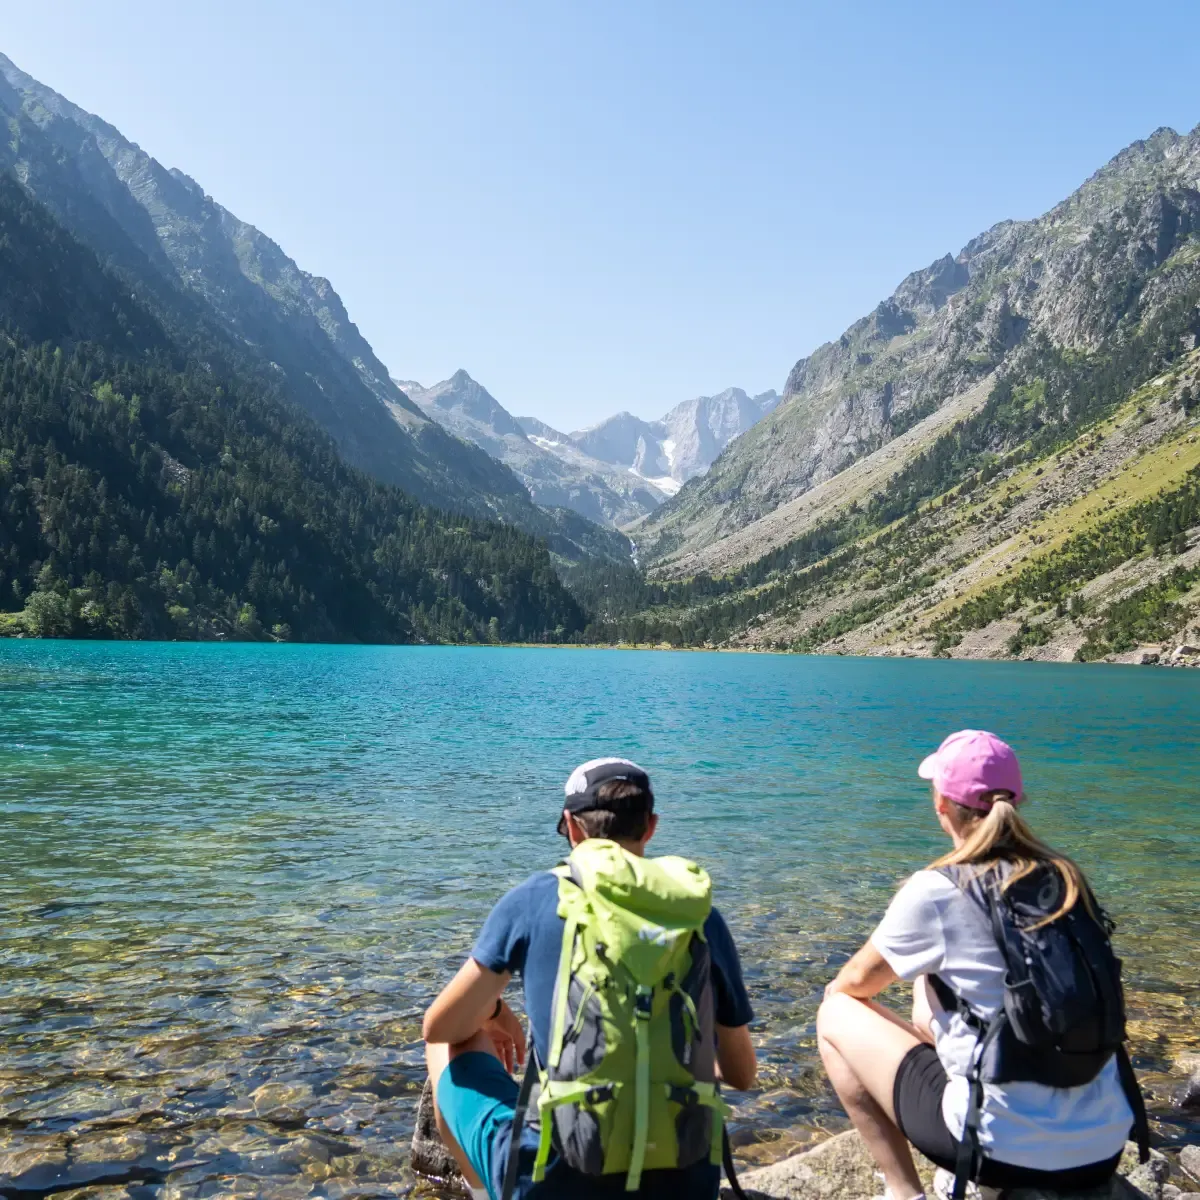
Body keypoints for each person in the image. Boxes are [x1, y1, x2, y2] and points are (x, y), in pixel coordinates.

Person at [816, 730, 1139, 1200]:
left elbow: (853, 984)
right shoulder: (1068, 877)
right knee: (952, 989)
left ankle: (904, 1191)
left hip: (1000, 1150)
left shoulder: (937, 890)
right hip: (1104, 1143)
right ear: (1019, 800)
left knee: (835, 1012)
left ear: (942, 805)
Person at [422, 757, 756, 1200]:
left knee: (452, 1044)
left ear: (571, 827)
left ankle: (485, 1193)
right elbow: (742, 1074)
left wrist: (496, 1013)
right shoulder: (699, 915)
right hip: (687, 1187)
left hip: (558, 1187)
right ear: (650, 827)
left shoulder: (534, 899)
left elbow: (439, 1025)